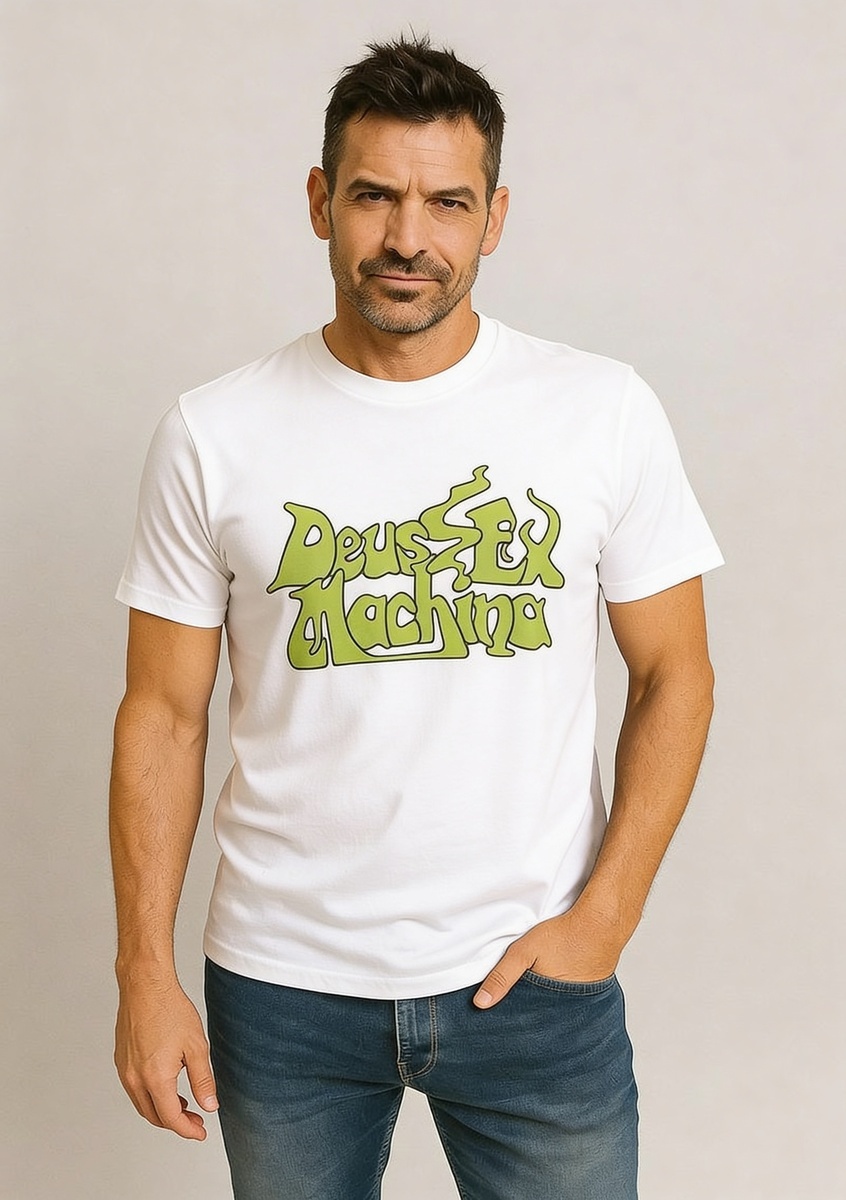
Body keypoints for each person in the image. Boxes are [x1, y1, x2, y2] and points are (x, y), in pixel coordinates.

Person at [110, 35, 723, 1200]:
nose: (408, 238)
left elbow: (675, 676)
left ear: (495, 218)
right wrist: (143, 969)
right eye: (374, 195)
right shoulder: (215, 434)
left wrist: (604, 920)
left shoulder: (599, 412)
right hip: (283, 987)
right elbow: (163, 714)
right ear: (319, 202)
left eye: (447, 202)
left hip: (534, 980)